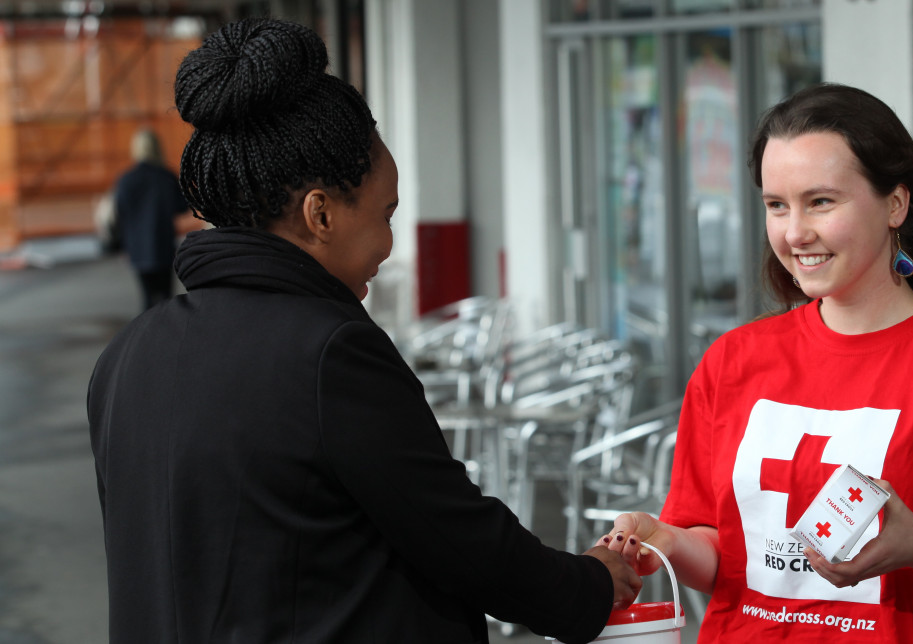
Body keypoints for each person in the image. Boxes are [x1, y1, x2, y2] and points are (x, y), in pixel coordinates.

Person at [87, 18, 638, 644]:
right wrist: (591, 582)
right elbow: (458, 539)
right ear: (319, 214)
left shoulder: (125, 356)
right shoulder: (328, 353)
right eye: (386, 213)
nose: (389, 241)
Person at [603, 83, 913, 642]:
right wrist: (667, 540)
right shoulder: (733, 361)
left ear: (895, 203)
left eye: (820, 201)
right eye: (776, 205)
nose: (794, 231)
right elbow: (727, 555)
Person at [110, 128, 191, 309]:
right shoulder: (166, 177)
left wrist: (122, 245)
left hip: (137, 249)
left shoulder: (126, 180)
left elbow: (120, 214)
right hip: (163, 246)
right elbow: (182, 207)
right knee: (166, 299)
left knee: (147, 300)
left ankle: (148, 334)